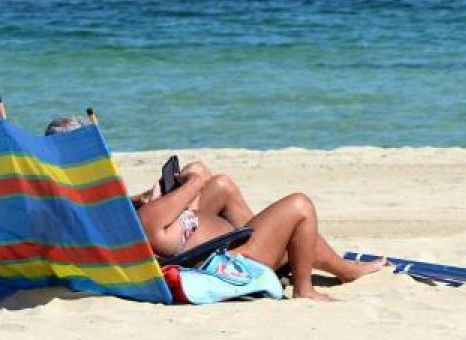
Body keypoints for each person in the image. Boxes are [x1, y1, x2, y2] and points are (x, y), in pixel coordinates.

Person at [45, 117, 387, 302]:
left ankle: (316, 259)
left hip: (197, 239)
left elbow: (137, 222)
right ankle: (304, 286)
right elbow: (152, 228)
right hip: (231, 259)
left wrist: (146, 198)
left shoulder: (77, 203)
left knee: (221, 185)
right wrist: (193, 182)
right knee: (299, 204)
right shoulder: (140, 221)